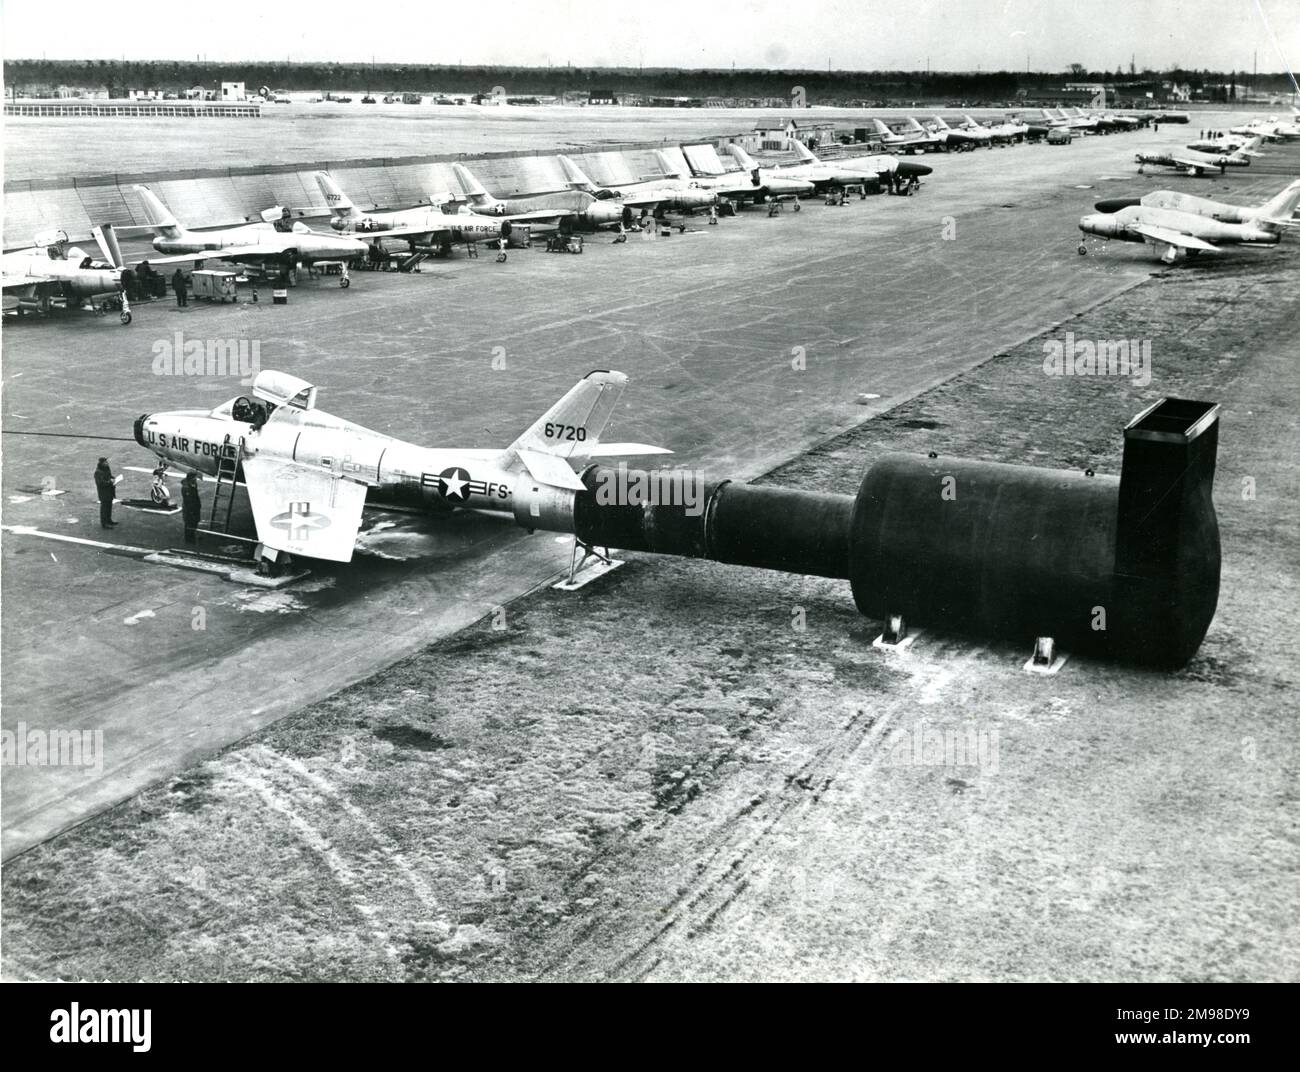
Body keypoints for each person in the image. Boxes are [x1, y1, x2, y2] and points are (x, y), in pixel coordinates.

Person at [94, 457, 119, 529]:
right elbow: (100, 483)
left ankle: (109, 520)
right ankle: (104, 523)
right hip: (104, 493)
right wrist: (109, 482)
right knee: (104, 508)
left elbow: (109, 475)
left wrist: (113, 478)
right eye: (105, 462)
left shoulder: (107, 468)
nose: (107, 463)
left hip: (110, 491)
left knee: (109, 506)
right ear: (101, 463)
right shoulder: (98, 472)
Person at [181, 471, 202, 545]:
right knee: (190, 524)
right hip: (190, 510)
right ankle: (189, 540)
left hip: (193, 509)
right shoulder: (187, 488)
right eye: (194, 478)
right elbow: (188, 501)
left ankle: (191, 538)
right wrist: (192, 511)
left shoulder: (191, 485)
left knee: (193, 524)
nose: (195, 480)